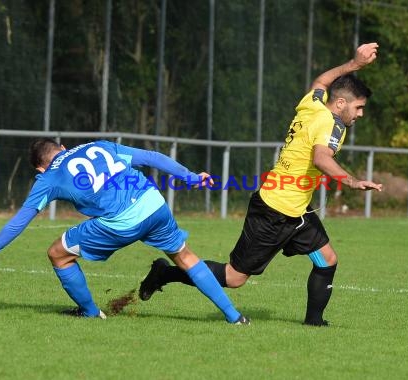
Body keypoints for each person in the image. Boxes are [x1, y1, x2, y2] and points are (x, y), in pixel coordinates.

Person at [138, 42, 383, 326]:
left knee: (327, 259)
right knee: (234, 278)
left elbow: (320, 81)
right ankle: (165, 273)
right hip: (274, 211)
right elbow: (321, 158)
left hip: (296, 209)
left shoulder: (312, 104)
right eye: (359, 107)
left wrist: (354, 64)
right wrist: (351, 182)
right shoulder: (332, 125)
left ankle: (314, 324)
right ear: (340, 103)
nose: (361, 114)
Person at [0, 138, 249, 324]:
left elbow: (19, 220)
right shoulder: (100, 145)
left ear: (40, 168)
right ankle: (235, 318)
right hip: (153, 203)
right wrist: (190, 177)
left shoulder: (48, 179)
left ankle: (90, 312)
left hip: (122, 221)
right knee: (185, 256)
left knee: (58, 254)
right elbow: (151, 157)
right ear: (61, 148)